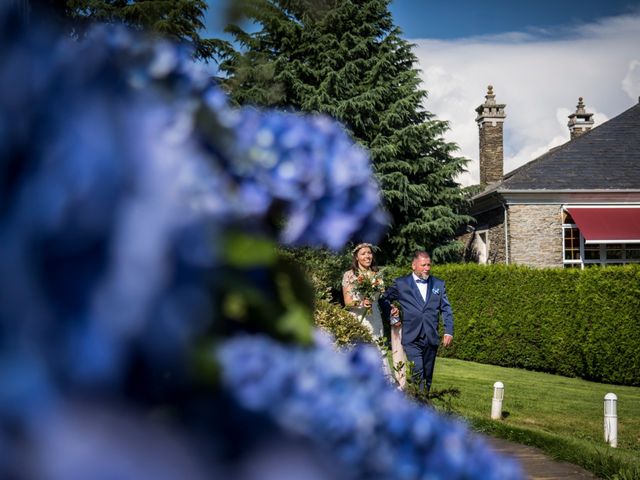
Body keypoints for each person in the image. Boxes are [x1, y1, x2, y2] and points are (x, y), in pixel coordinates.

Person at [381, 250, 453, 392]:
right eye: (423, 265)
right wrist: (393, 315)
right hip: (411, 336)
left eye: (428, 265)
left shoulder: (438, 284)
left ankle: (423, 399)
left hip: (431, 336)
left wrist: (448, 331)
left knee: (427, 374)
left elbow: (446, 308)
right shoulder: (401, 283)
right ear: (413, 265)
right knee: (417, 370)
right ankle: (418, 401)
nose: (427, 268)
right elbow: (384, 299)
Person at [342, 243, 406, 388]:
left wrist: (391, 309)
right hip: (357, 319)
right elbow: (347, 302)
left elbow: (382, 299)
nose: (367, 256)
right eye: (363, 253)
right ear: (357, 257)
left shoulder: (377, 276)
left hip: (375, 318)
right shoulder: (349, 275)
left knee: (379, 349)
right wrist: (360, 303)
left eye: (369, 253)